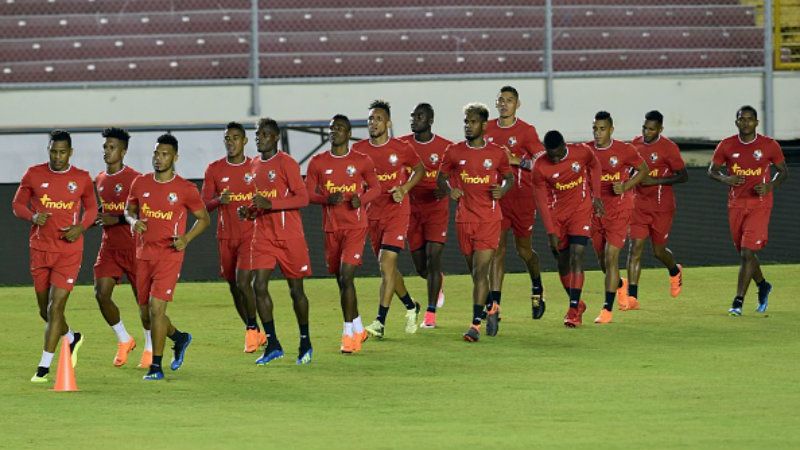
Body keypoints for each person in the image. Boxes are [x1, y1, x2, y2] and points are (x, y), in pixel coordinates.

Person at [13, 129, 97, 383]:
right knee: (45, 311)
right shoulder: (34, 174)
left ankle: (44, 367)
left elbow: (92, 208)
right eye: (53, 151)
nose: (57, 156)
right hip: (40, 249)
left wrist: (81, 228)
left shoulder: (81, 178)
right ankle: (71, 337)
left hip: (69, 251)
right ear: (48, 150)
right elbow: (17, 205)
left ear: (70, 152)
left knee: (55, 306)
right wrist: (33, 216)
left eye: (62, 152)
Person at [125, 133, 210, 380]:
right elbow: (129, 210)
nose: (159, 159)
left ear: (175, 157)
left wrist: (186, 239)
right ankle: (179, 337)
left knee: (156, 309)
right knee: (146, 315)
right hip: (143, 255)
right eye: (156, 153)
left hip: (169, 256)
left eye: (164, 154)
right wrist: (133, 221)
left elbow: (204, 218)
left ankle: (156, 367)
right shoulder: (140, 183)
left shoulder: (185, 189)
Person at [436, 103, 513, 342]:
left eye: (472, 122)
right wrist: (450, 191)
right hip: (464, 220)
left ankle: (475, 325)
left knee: (481, 272)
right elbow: (441, 178)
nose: (468, 126)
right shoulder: (454, 152)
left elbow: (509, 178)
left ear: (484, 125)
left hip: (489, 220)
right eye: (466, 122)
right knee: (474, 272)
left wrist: (502, 189)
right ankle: (491, 306)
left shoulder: (497, 153)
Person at [239, 118, 313, 365]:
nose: (259, 138)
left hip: (290, 237)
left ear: (275, 137)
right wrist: (249, 211)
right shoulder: (254, 165)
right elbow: (260, 200)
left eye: (264, 134)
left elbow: (302, 198)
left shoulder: (287, 163)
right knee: (257, 285)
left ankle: (305, 340)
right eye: (257, 134)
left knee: (296, 291)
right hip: (263, 236)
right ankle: (273, 343)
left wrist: (272, 204)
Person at [306, 114, 381, 353]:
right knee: (341, 280)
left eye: (339, 128)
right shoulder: (317, 162)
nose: (334, 131)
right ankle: (358, 326)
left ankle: (348, 334)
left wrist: (362, 199)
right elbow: (308, 194)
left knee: (347, 277)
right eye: (331, 128)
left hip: (356, 228)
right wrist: (325, 199)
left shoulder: (362, 160)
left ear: (348, 134)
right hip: (332, 228)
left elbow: (376, 187)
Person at [353, 100, 425, 339]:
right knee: (389, 270)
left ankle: (380, 322)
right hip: (372, 215)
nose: (373, 123)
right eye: (371, 119)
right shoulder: (359, 150)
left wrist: (404, 189)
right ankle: (411, 306)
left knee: (386, 264)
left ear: (388, 123)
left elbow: (420, 169)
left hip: (396, 211)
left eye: (378, 119)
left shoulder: (401, 148)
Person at [708, 105, 788, 316]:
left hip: (760, 204)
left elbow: (782, 172)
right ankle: (762, 284)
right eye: (741, 119)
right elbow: (712, 171)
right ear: (736, 122)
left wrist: (770, 185)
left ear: (756, 122)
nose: (745, 123)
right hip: (736, 204)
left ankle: (738, 301)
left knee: (746, 252)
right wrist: (727, 179)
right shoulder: (726, 145)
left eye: (749, 119)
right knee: (746, 253)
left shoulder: (769, 145)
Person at [484, 86, 546, 328]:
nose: (504, 103)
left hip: (522, 199)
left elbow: (542, 163)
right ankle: (495, 307)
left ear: (517, 104)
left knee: (524, 251)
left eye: (509, 100)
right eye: (501, 99)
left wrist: (516, 160)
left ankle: (537, 285)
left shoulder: (526, 131)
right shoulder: (487, 129)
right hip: (497, 199)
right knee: (497, 251)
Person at [201, 122, 265, 353]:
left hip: (251, 234)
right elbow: (203, 205)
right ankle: (256, 330)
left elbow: (265, 201)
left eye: (236, 138)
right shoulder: (215, 169)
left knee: (242, 281)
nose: (231, 142)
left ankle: (251, 329)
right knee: (233, 285)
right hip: (226, 236)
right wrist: (219, 201)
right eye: (228, 138)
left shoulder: (256, 167)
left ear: (244, 141)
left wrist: (252, 211)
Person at [532, 131, 604, 328]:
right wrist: (550, 232)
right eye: (550, 154)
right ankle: (578, 303)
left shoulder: (581, 152)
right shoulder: (539, 166)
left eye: (557, 153)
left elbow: (595, 165)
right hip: (557, 217)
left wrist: (596, 195)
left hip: (581, 210)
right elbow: (542, 202)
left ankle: (573, 310)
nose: (554, 158)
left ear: (564, 145)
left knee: (576, 256)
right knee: (562, 262)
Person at [92, 127, 151, 368]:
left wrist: (114, 219)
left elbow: (143, 214)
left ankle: (149, 346)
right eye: (105, 146)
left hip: (135, 249)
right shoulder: (99, 180)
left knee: (144, 304)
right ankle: (124, 339)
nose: (107, 151)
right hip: (110, 248)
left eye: (112, 147)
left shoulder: (136, 179)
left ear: (124, 151)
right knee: (101, 294)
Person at [589, 111, 648, 324]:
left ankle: (607, 309)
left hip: (620, 211)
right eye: (595, 128)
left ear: (611, 130)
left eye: (602, 129)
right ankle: (620, 285)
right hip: (595, 212)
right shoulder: (587, 151)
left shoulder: (624, 150)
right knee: (603, 261)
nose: (597, 133)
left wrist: (625, 186)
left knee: (611, 256)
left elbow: (643, 170)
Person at [398, 103, 453, 328]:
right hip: (411, 209)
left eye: (419, 116)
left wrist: (447, 188)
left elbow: (459, 172)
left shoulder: (446, 147)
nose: (414, 119)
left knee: (433, 257)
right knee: (422, 268)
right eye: (412, 116)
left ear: (430, 120)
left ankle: (430, 315)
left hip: (436, 208)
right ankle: (437, 281)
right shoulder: (402, 145)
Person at [626, 111, 688, 305]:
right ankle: (632, 296)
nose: (646, 132)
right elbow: (628, 168)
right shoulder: (634, 144)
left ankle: (674, 270)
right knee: (635, 248)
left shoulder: (669, 148)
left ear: (660, 129)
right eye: (644, 127)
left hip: (662, 206)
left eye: (651, 129)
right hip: (638, 205)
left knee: (658, 251)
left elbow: (683, 175)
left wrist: (655, 181)